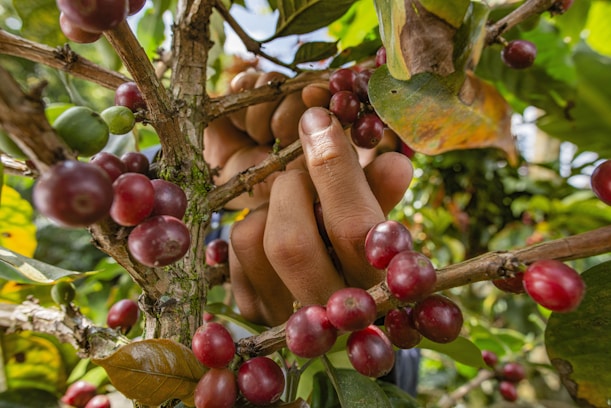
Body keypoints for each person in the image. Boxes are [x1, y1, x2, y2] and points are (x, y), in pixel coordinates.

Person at [204, 71, 419, 395]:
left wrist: (353, 328)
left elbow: (396, 378)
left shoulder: (397, 277)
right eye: (350, 129)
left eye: (377, 142)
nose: (352, 154)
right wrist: (210, 172)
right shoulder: (212, 225)